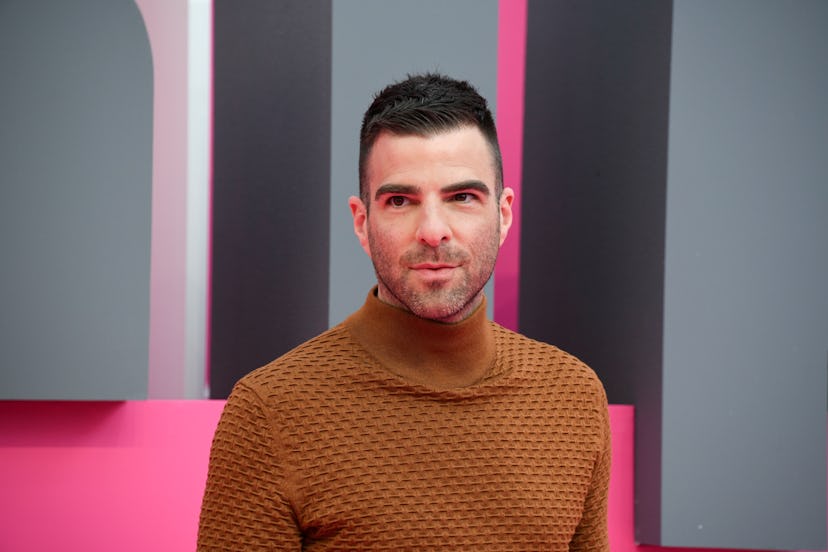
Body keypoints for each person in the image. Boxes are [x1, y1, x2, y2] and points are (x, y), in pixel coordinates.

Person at [198, 73, 611, 551]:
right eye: (400, 201)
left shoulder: (574, 397)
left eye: (462, 197)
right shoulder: (270, 412)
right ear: (361, 221)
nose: (433, 231)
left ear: (503, 214)